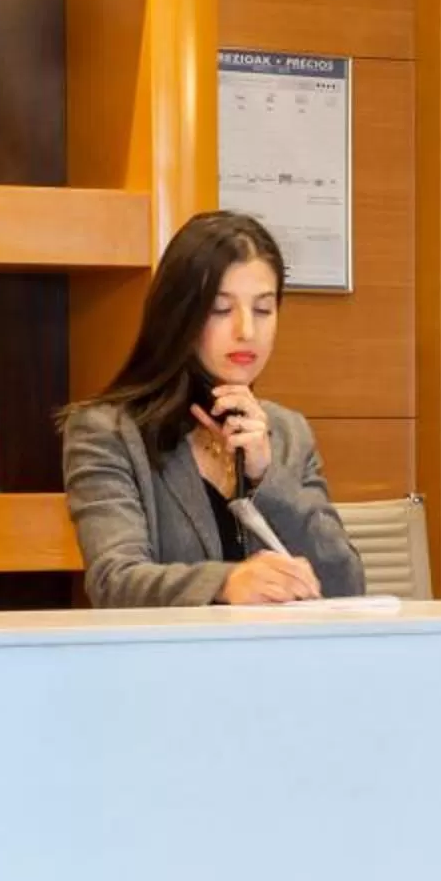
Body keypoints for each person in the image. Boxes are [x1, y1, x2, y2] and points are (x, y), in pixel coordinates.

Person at [62, 211, 365, 607]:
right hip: (170, 665)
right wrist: (226, 583)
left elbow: (345, 583)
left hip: (282, 664)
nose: (246, 330)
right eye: (221, 310)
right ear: (180, 316)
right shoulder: (107, 431)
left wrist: (266, 479)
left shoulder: (288, 432)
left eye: (263, 310)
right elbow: (114, 580)